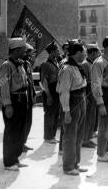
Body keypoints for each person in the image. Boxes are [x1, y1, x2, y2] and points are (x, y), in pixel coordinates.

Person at [57, 41, 88, 175]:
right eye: (84, 52)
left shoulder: (77, 67)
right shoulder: (67, 69)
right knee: (70, 135)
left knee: (79, 134)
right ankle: (68, 166)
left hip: (81, 98)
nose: (85, 55)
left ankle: (75, 163)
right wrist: (66, 111)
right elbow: (64, 91)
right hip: (72, 101)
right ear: (78, 53)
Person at [0, 37, 29, 171]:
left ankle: (15, 158)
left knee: (20, 131)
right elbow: (3, 86)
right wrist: (8, 105)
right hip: (13, 100)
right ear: (16, 50)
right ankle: (9, 162)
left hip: (22, 100)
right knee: (11, 131)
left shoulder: (20, 63)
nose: (25, 51)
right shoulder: (7, 65)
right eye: (23, 49)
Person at [80, 43, 101, 148]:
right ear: (92, 53)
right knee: (87, 117)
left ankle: (88, 137)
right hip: (88, 93)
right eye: (97, 53)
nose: (98, 55)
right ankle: (84, 139)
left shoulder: (92, 64)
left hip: (93, 93)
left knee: (92, 117)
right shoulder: (85, 65)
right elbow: (83, 82)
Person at [40, 42, 61, 144]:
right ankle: (48, 137)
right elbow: (43, 82)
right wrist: (48, 95)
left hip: (57, 91)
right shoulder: (45, 64)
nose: (59, 52)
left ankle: (52, 135)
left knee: (55, 115)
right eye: (57, 50)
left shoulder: (56, 62)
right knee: (49, 114)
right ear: (52, 52)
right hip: (50, 91)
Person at [22, 43, 36, 152]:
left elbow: (30, 80)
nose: (31, 54)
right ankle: (18, 144)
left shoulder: (27, 63)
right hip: (22, 97)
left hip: (29, 97)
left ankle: (23, 142)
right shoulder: (19, 64)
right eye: (30, 52)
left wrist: (34, 95)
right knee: (22, 122)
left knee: (28, 121)